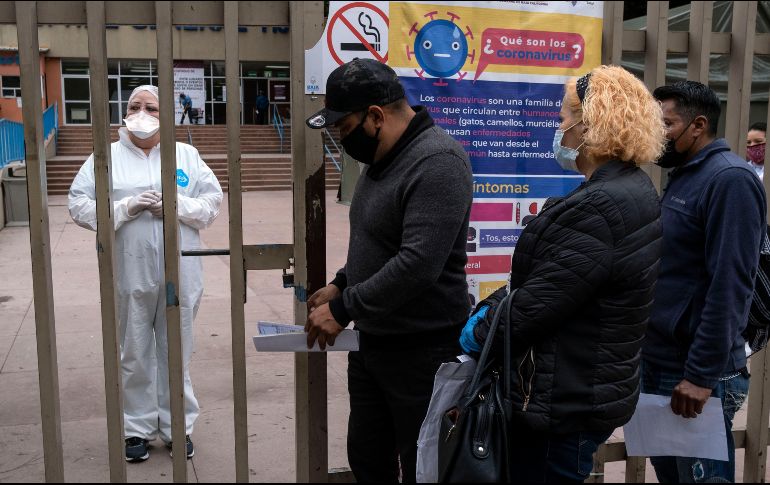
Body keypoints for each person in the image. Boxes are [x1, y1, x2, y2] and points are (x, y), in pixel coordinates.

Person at [460, 65, 665, 483]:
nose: (558, 130)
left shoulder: (599, 208)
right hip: (584, 390)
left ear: (589, 126)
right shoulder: (630, 189)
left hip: (562, 402)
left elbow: (537, 305)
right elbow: (547, 283)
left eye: (561, 120)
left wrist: (475, 336)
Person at [303, 58, 473, 483]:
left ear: (376, 117)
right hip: (374, 343)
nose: (342, 140)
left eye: (343, 129)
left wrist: (343, 308)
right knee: (368, 461)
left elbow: (418, 264)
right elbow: (377, 239)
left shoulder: (438, 161)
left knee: (422, 467)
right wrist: (341, 282)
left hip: (421, 353)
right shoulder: (382, 159)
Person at [69, 85, 223, 463]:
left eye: (150, 106)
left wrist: (176, 205)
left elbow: (212, 202)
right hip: (129, 270)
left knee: (177, 349)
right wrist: (124, 208)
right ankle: (136, 429)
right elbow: (78, 203)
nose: (141, 112)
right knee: (134, 351)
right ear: (124, 112)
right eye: (134, 105)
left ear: (165, 113)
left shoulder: (185, 155)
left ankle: (176, 427)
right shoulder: (105, 156)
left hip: (182, 272)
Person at [644, 81, 766, 482]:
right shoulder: (686, 175)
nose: (657, 134)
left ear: (697, 126)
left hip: (696, 378)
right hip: (663, 365)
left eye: (666, 124)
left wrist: (699, 376)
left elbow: (730, 286)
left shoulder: (731, 180)